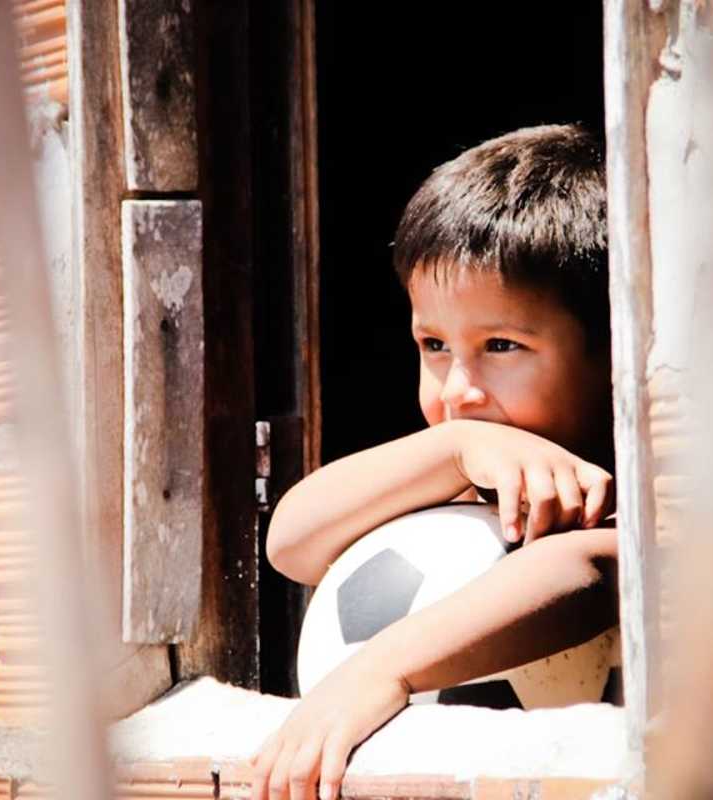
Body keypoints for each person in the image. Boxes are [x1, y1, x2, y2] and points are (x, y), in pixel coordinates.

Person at [250, 124, 620, 800]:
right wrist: (454, 451)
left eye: (503, 346)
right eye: (434, 344)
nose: (458, 389)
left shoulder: (629, 489)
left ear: (614, 352)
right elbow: (291, 542)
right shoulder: (457, 464)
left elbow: (588, 567)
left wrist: (380, 671)